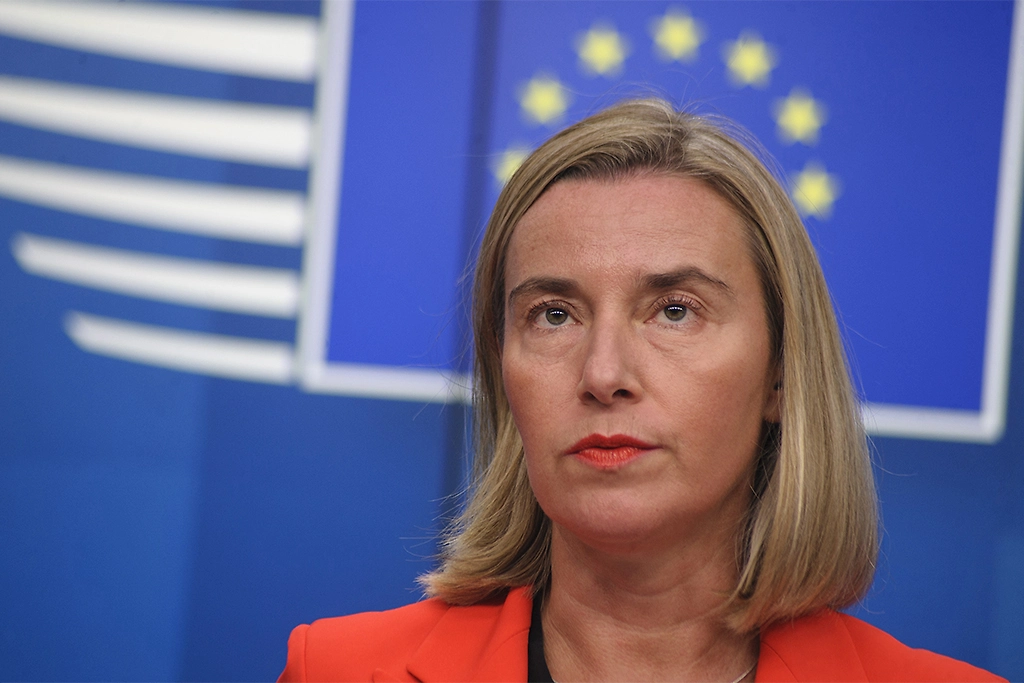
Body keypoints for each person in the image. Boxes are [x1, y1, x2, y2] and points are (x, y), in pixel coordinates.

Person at [278, 99, 1002, 682]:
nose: (602, 375)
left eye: (675, 311)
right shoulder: (337, 670)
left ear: (781, 372)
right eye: (553, 315)